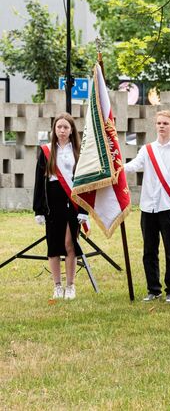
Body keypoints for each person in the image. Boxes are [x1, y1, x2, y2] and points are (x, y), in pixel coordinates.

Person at [124, 110, 170, 303]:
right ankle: (153, 289)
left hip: (169, 207)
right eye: (159, 123)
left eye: (165, 123)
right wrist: (117, 166)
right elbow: (135, 165)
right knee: (149, 251)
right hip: (148, 207)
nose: (161, 126)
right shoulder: (147, 149)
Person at [33, 113, 88, 300]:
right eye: (59, 127)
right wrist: (38, 209)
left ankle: (70, 286)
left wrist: (84, 210)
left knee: (69, 243)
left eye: (66, 127)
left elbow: (85, 184)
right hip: (52, 205)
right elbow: (39, 184)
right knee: (54, 245)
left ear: (71, 130)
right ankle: (57, 286)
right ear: (54, 130)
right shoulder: (46, 151)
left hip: (72, 203)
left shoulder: (79, 152)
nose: (62, 131)